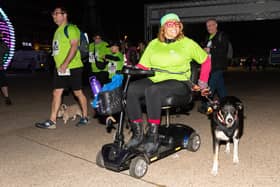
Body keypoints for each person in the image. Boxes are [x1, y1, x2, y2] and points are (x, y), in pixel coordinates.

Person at [125, 13, 211, 155]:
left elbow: (206, 60)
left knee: (153, 90)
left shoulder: (187, 43)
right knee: (132, 89)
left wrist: (202, 82)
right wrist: (129, 68)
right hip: (157, 79)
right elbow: (143, 66)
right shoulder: (154, 44)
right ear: (163, 28)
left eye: (177, 24)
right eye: (170, 24)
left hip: (179, 82)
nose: (174, 27)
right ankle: (138, 134)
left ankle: (153, 136)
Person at [35, 6, 88, 129]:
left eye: (56, 13)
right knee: (56, 92)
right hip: (60, 69)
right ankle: (52, 121)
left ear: (65, 15)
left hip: (73, 66)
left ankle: (85, 117)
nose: (53, 16)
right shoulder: (57, 31)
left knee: (78, 93)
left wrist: (65, 63)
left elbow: (74, 46)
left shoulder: (71, 28)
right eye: (53, 14)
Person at [198, 18, 229, 114]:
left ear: (216, 25)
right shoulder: (208, 37)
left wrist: (210, 50)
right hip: (209, 66)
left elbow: (224, 50)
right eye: (207, 26)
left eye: (211, 25)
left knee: (210, 85)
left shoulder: (221, 35)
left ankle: (205, 105)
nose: (209, 27)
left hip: (218, 65)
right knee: (220, 87)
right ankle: (226, 104)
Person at [0, 35, 12, 105]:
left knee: (3, 83)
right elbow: (7, 52)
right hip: (0, 67)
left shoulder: (3, 44)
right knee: (3, 83)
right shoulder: (3, 44)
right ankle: (7, 97)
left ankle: (7, 98)